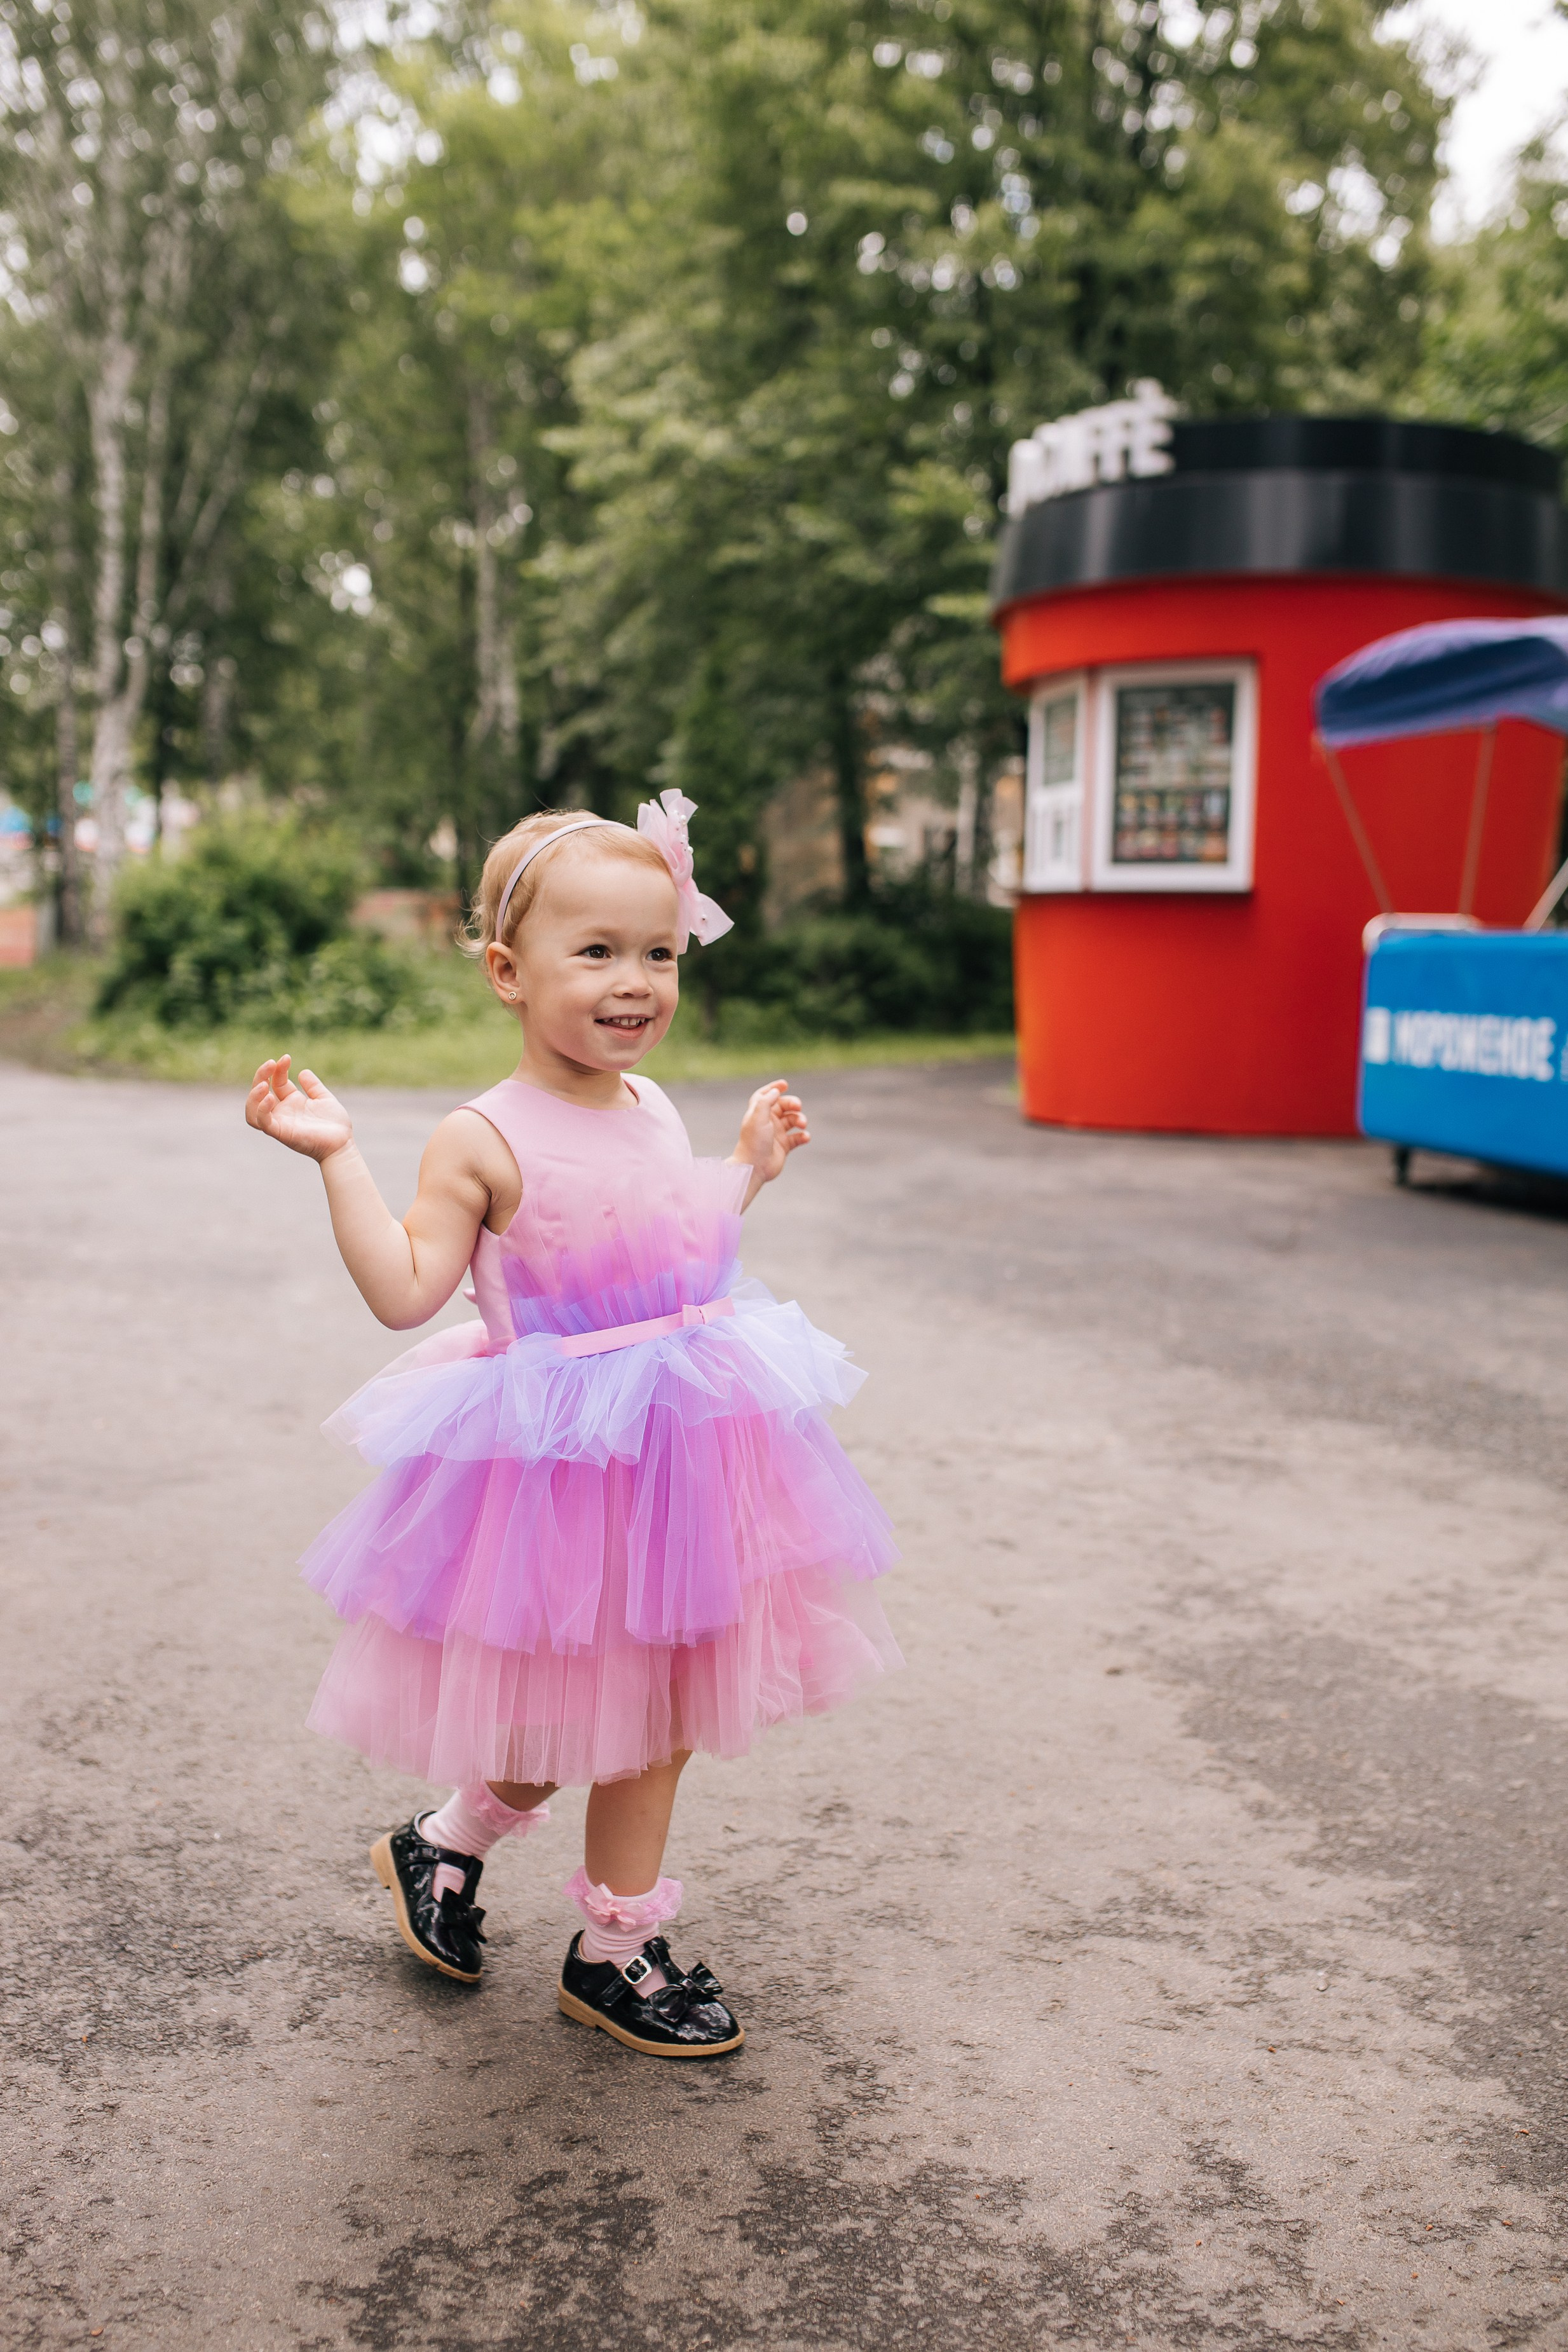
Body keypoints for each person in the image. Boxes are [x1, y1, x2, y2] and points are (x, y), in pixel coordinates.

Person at [245, 795, 899, 2058]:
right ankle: (609, 1947)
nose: (634, 980)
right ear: (507, 969)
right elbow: (404, 1289)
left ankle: (453, 1851)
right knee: (598, 1715)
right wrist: (337, 1156)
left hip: (684, 1452)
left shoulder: (648, 1103)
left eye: (656, 952)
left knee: (638, 1710)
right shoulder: (479, 1135)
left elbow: (661, 1237)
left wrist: (744, 1169)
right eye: (594, 951)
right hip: (564, 1470)